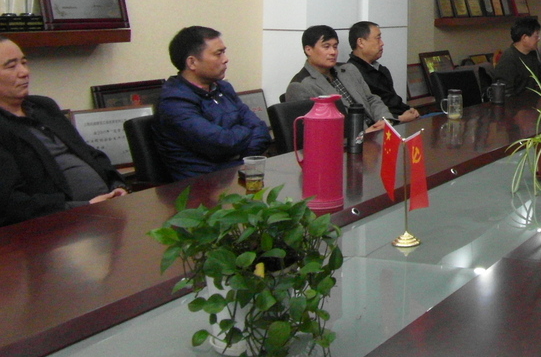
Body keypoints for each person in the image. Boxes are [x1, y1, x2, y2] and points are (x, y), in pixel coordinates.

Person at [0, 36, 128, 226]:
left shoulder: (44, 106)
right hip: (57, 224)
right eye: (11, 66)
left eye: (24, 63)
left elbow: (88, 153)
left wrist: (117, 185)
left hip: (107, 208)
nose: (24, 72)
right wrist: (82, 206)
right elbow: (10, 203)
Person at [156, 26, 273, 180]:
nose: (225, 59)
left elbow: (260, 129)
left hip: (237, 172)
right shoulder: (174, 101)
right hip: (203, 184)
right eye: (218, 54)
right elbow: (221, 143)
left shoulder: (223, 88)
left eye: (224, 52)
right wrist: (245, 134)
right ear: (192, 62)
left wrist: (243, 155)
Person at [285, 25, 396, 130]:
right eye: (326, 47)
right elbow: (312, 130)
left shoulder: (348, 69)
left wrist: (385, 120)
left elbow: (371, 98)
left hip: (376, 130)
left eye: (335, 47)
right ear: (308, 50)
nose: (333, 52)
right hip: (347, 139)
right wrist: (360, 135)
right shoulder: (300, 86)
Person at [343, 21, 420, 123]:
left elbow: (393, 102)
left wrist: (409, 110)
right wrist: (400, 119)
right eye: (378, 38)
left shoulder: (381, 69)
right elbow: (369, 113)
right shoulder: (352, 73)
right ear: (361, 42)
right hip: (387, 124)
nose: (382, 43)